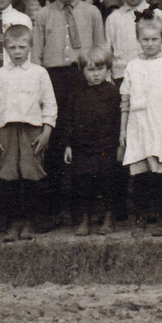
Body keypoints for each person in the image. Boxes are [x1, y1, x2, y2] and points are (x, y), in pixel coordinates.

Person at [32, 0, 104, 228]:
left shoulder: (92, 13)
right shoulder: (42, 15)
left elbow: (100, 49)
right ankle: (52, 210)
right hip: (53, 81)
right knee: (53, 147)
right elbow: (36, 57)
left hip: (81, 78)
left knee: (82, 144)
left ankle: (81, 210)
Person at [0, 25, 55, 242]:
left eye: (22, 47)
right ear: (5, 48)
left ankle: (29, 223)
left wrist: (46, 132)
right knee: (9, 178)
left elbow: (50, 104)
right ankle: (13, 223)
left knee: (31, 176)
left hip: (32, 130)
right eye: (12, 47)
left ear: (30, 47)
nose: (17, 52)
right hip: (6, 130)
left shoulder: (39, 73)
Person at [118, 18, 162, 236]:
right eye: (145, 39)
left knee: (161, 174)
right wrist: (123, 130)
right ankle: (141, 217)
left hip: (161, 123)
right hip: (138, 125)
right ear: (138, 40)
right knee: (141, 175)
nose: (150, 43)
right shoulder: (133, 66)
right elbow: (125, 100)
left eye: (155, 39)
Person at [60, 50, 123, 237]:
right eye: (90, 70)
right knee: (83, 182)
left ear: (107, 70)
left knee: (107, 180)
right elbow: (69, 120)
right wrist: (68, 145)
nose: (95, 74)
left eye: (100, 69)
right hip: (82, 146)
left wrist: (119, 143)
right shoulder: (77, 93)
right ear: (83, 71)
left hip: (106, 145)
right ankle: (85, 219)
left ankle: (108, 218)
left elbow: (118, 120)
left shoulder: (112, 93)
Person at [104, 0, 162, 77]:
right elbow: (108, 54)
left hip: (151, 74)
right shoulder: (113, 19)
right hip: (122, 76)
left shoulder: (157, 15)